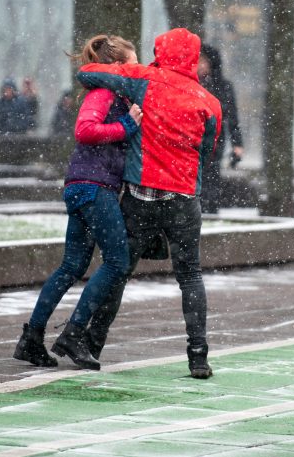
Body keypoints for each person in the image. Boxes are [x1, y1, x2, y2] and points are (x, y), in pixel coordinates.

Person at [76, 27, 222, 379]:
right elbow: (207, 149)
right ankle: (198, 354)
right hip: (184, 200)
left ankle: (92, 343)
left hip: (142, 195)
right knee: (190, 275)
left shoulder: (145, 80)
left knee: (120, 270)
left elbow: (88, 72)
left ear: (161, 51)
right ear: (193, 57)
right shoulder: (208, 101)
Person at [13, 35, 142, 371]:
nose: (138, 67)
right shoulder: (103, 94)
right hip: (93, 187)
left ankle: (32, 338)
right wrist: (127, 125)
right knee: (117, 261)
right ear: (116, 66)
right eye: (133, 61)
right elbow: (85, 130)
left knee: (71, 267)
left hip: (85, 186)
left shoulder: (120, 96)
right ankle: (73, 333)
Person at [197, 44, 244, 213]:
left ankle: (209, 208)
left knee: (211, 177)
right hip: (194, 139)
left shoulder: (223, 87)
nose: (199, 65)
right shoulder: (191, 84)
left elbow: (232, 117)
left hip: (215, 141)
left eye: (203, 61)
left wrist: (237, 144)